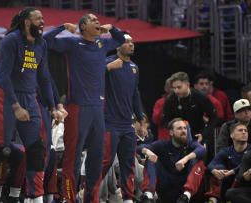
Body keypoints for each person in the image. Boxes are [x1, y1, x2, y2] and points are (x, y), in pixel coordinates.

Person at [0, 7, 61, 203]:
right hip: (5, 96)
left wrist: (53, 107)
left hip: (29, 96)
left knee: (36, 148)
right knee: (0, 148)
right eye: (38, 19)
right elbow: (3, 76)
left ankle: (35, 197)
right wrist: (16, 106)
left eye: (43, 18)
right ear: (27, 22)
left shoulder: (41, 43)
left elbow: (44, 77)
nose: (43, 22)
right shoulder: (11, 40)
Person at [43, 13, 125, 202]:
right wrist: (63, 27)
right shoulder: (72, 43)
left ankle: (91, 198)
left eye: (98, 20)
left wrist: (111, 28)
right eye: (93, 20)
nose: (97, 22)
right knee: (73, 158)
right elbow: (46, 41)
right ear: (82, 27)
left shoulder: (102, 45)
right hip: (77, 107)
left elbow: (120, 40)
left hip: (98, 108)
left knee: (96, 159)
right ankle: (69, 198)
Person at [99, 32, 145, 202]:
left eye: (133, 42)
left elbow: (135, 95)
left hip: (127, 125)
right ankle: (89, 193)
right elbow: (93, 77)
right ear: (117, 45)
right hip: (109, 123)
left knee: (129, 165)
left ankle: (128, 199)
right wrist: (108, 68)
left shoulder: (134, 67)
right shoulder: (107, 62)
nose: (131, 44)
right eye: (127, 42)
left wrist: (140, 120)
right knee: (105, 163)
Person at [137, 118, 206, 203]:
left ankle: (186, 196)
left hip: (183, 187)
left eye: (185, 128)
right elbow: (139, 148)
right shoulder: (162, 144)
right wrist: (148, 152)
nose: (183, 131)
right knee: (151, 158)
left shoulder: (191, 144)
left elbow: (202, 150)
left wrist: (185, 159)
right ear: (171, 132)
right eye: (179, 128)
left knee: (198, 161)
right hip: (165, 185)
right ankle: (148, 196)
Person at [163, 71, 219, 143]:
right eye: (174, 88)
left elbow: (214, 117)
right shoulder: (170, 99)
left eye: (179, 87)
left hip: (197, 136)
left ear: (187, 85)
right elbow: (166, 120)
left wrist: (204, 134)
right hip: (177, 138)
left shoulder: (200, 97)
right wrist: (173, 130)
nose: (176, 91)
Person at [206, 122, 251, 203]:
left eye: (246, 130)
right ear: (231, 135)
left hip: (245, 183)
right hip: (230, 182)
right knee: (218, 168)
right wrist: (215, 171)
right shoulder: (227, 150)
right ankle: (213, 199)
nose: (244, 132)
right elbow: (210, 164)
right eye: (240, 130)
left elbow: (243, 166)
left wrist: (232, 171)